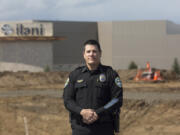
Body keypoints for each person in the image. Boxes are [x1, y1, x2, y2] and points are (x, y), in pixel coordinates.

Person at [63, 39, 123, 135]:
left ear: (100, 53)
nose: (91, 54)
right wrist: (82, 112)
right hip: (80, 129)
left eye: (94, 51)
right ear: (84, 54)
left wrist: (97, 113)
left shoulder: (110, 74)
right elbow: (67, 100)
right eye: (88, 51)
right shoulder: (75, 75)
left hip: (104, 129)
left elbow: (117, 99)